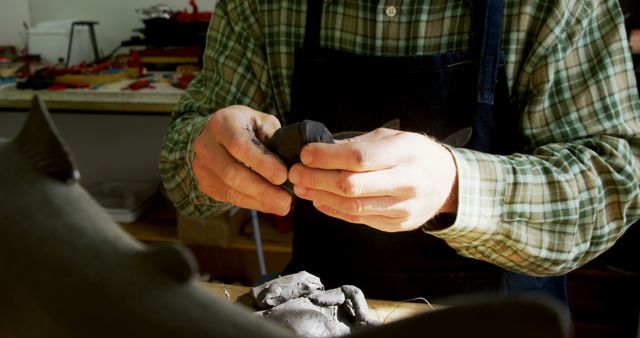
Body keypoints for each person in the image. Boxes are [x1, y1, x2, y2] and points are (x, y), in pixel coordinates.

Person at [160, 0, 640, 301]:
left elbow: (616, 183)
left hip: (505, 319)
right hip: (320, 312)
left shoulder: (557, 7)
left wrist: (454, 187)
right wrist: (202, 156)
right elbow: (183, 172)